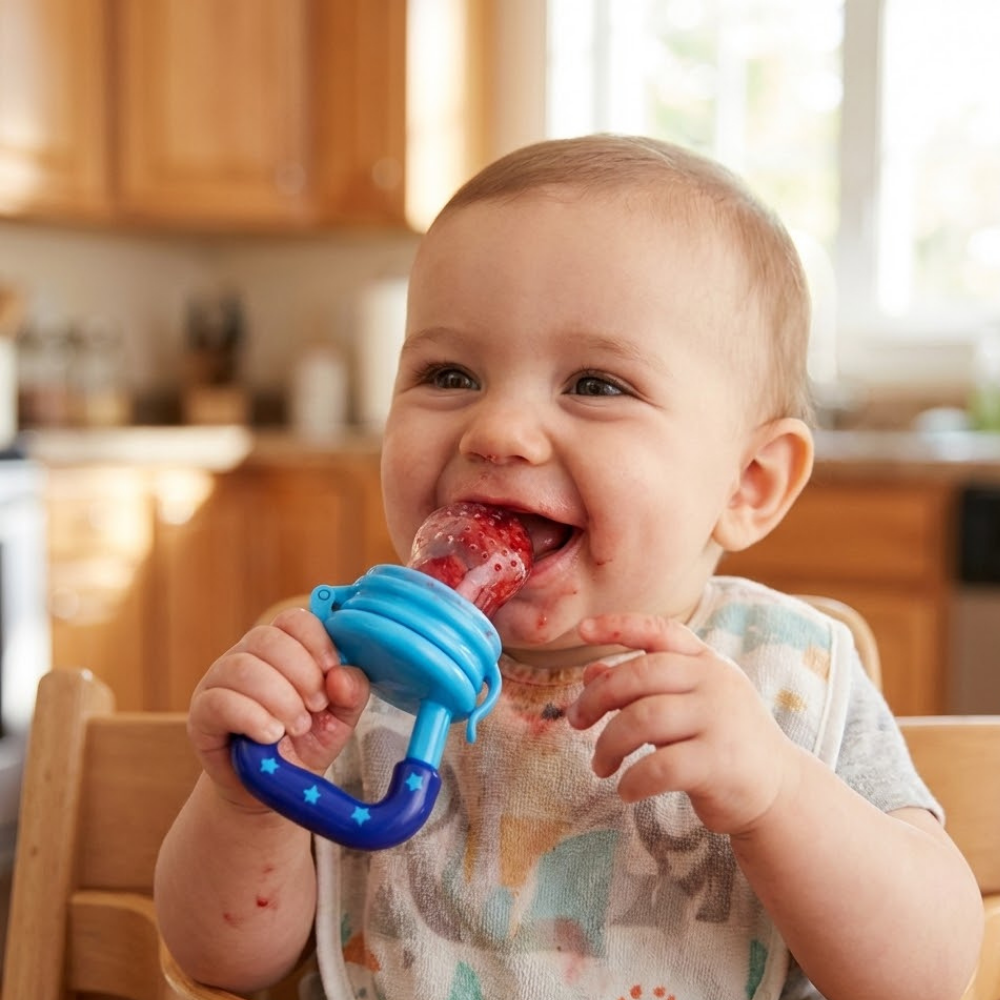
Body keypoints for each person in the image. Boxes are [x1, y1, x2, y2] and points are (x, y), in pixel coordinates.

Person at [154, 135, 983, 1000]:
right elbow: (222, 964)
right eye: (449, 373)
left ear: (747, 483)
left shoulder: (786, 676)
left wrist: (774, 795)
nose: (498, 431)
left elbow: (928, 975)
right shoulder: (344, 677)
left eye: (595, 384)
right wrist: (249, 799)